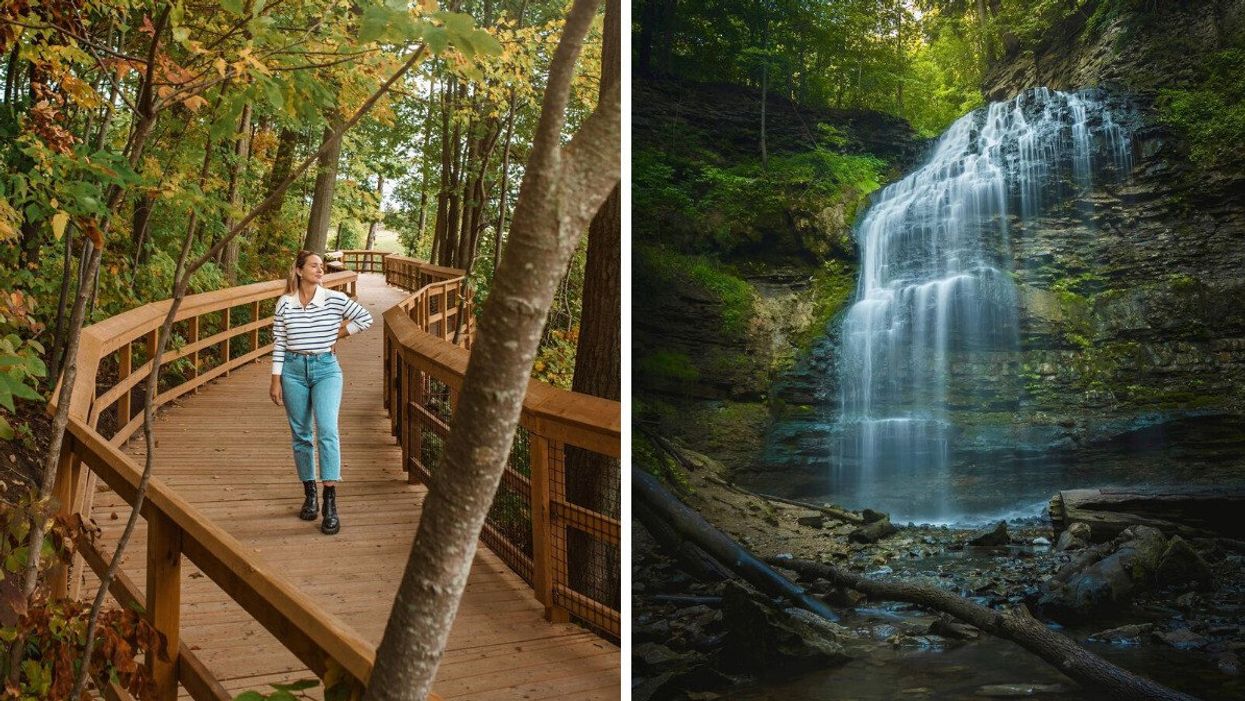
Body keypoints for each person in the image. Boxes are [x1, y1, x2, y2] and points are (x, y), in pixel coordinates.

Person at [269, 250, 373, 534]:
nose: (320, 270)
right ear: (299, 270)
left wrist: (337, 334)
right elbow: (279, 342)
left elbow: (366, 318)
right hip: (292, 371)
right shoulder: (285, 303)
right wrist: (275, 380)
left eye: (322, 266)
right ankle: (310, 494)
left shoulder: (334, 299)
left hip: (326, 370)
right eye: (314, 266)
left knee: (327, 430)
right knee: (301, 435)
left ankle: (330, 501)